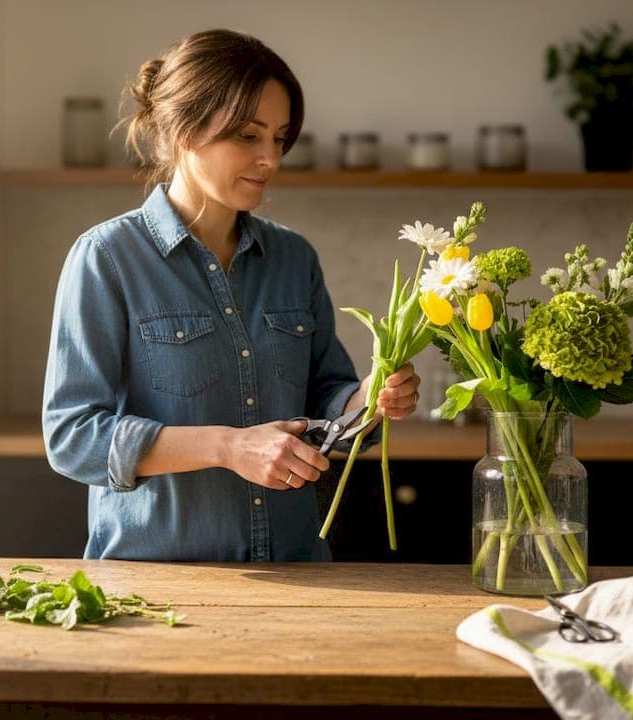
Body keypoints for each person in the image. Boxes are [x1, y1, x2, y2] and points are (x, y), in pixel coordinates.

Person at [42, 29, 421, 562]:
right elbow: (72, 436)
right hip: (157, 589)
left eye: (280, 137)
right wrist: (228, 447)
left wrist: (371, 400)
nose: (270, 158)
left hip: (297, 575)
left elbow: (326, 407)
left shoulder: (294, 258)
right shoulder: (107, 258)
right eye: (248, 135)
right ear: (183, 131)